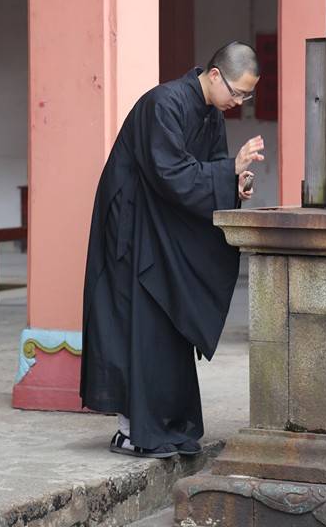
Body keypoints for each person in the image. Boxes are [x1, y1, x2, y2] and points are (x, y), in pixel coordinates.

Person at [80, 41, 264, 458]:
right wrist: (226, 171)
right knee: (138, 326)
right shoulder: (162, 104)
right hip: (133, 229)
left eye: (246, 96)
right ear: (214, 75)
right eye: (237, 92)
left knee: (170, 321)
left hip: (165, 226)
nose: (238, 102)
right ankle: (130, 431)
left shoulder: (211, 114)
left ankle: (171, 426)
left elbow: (209, 170)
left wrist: (235, 183)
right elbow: (169, 173)